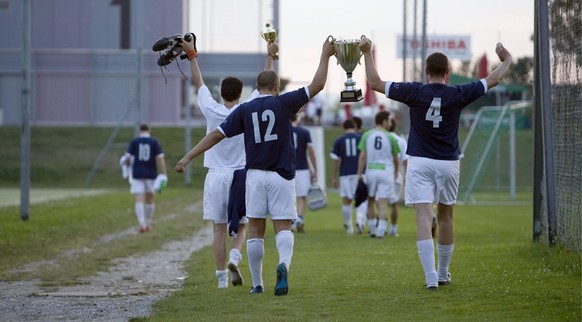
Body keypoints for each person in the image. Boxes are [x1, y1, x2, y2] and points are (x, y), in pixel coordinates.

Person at [175, 37, 335, 296]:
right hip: (281, 175)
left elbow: (216, 135)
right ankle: (282, 265)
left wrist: (188, 157)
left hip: (254, 177)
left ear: (256, 87)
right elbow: (317, 85)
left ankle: (257, 284)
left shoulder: (246, 109)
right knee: (283, 227)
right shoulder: (283, 103)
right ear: (277, 85)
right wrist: (325, 55)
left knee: (255, 231)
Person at [360, 36, 512, 289]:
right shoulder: (458, 93)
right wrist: (507, 59)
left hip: (420, 162)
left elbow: (374, 83)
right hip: (448, 163)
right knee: (446, 217)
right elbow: (494, 79)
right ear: (448, 73)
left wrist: (367, 52)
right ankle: (443, 273)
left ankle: (430, 277)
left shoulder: (415, 91)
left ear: (426, 72)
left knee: (422, 217)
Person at [177, 34, 278, 288]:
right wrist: (270, 56)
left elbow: (198, 82)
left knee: (218, 229)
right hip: (241, 176)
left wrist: (192, 55)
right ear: (240, 94)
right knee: (243, 226)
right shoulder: (248, 107)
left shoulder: (211, 109)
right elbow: (265, 84)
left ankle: (221, 279)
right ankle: (236, 255)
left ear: (221, 94)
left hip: (215, 176)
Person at [356, 111, 400, 238]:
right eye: (389, 120)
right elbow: (396, 158)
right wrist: (396, 171)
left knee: (370, 200)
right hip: (386, 172)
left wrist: (359, 173)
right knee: (383, 201)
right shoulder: (391, 137)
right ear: (384, 121)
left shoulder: (367, 135)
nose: (390, 123)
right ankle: (381, 231)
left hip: (371, 171)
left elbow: (363, 156)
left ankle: (371, 230)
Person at [123, 124, 168, 233]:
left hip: (137, 173)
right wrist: (164, 173)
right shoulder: (154, 142)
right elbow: (159, 158)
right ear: (149, 130)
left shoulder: (134, 141)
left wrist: (128, 166)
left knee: (139, 199)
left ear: (140, 130)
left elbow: (127, 158)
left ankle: (141, 224)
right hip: (150, 173)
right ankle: (148, 223)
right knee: (150, 199)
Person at [330, 118, 361, 234]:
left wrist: (334, 177)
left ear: (343, 127)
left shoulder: (339, 140)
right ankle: (360, 221)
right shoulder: (361, 138)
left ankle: (349, 226)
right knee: (361, 200)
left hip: (345, 174)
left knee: (346, 201)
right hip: (360, 174)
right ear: (354, 126)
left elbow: (335, 161)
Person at [291, 113, 317, 233]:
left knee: (289, 197)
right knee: (302, 196)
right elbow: (311, 151)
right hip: (302, 168)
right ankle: (299, 219)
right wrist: (314, 169)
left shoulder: (282, 130)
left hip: (286, 168)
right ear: (297, 118)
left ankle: (291, 221)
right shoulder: (304, 132)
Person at [387, 117, 408, 237]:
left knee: (380, 202)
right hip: (396, 175)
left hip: (380, 173)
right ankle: (393, 229)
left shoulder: (381, 137)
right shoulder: (401, 140)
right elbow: (406, 161)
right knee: (394, 203)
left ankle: (379, 227)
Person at [351, 116, 368, 233]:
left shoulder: (361, 137)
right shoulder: (364, 137)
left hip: (350, 172)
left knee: (357, 198)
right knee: (364, 198)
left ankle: (357, 221)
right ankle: (360, 220)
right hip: (362, 172)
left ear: (356, 124)